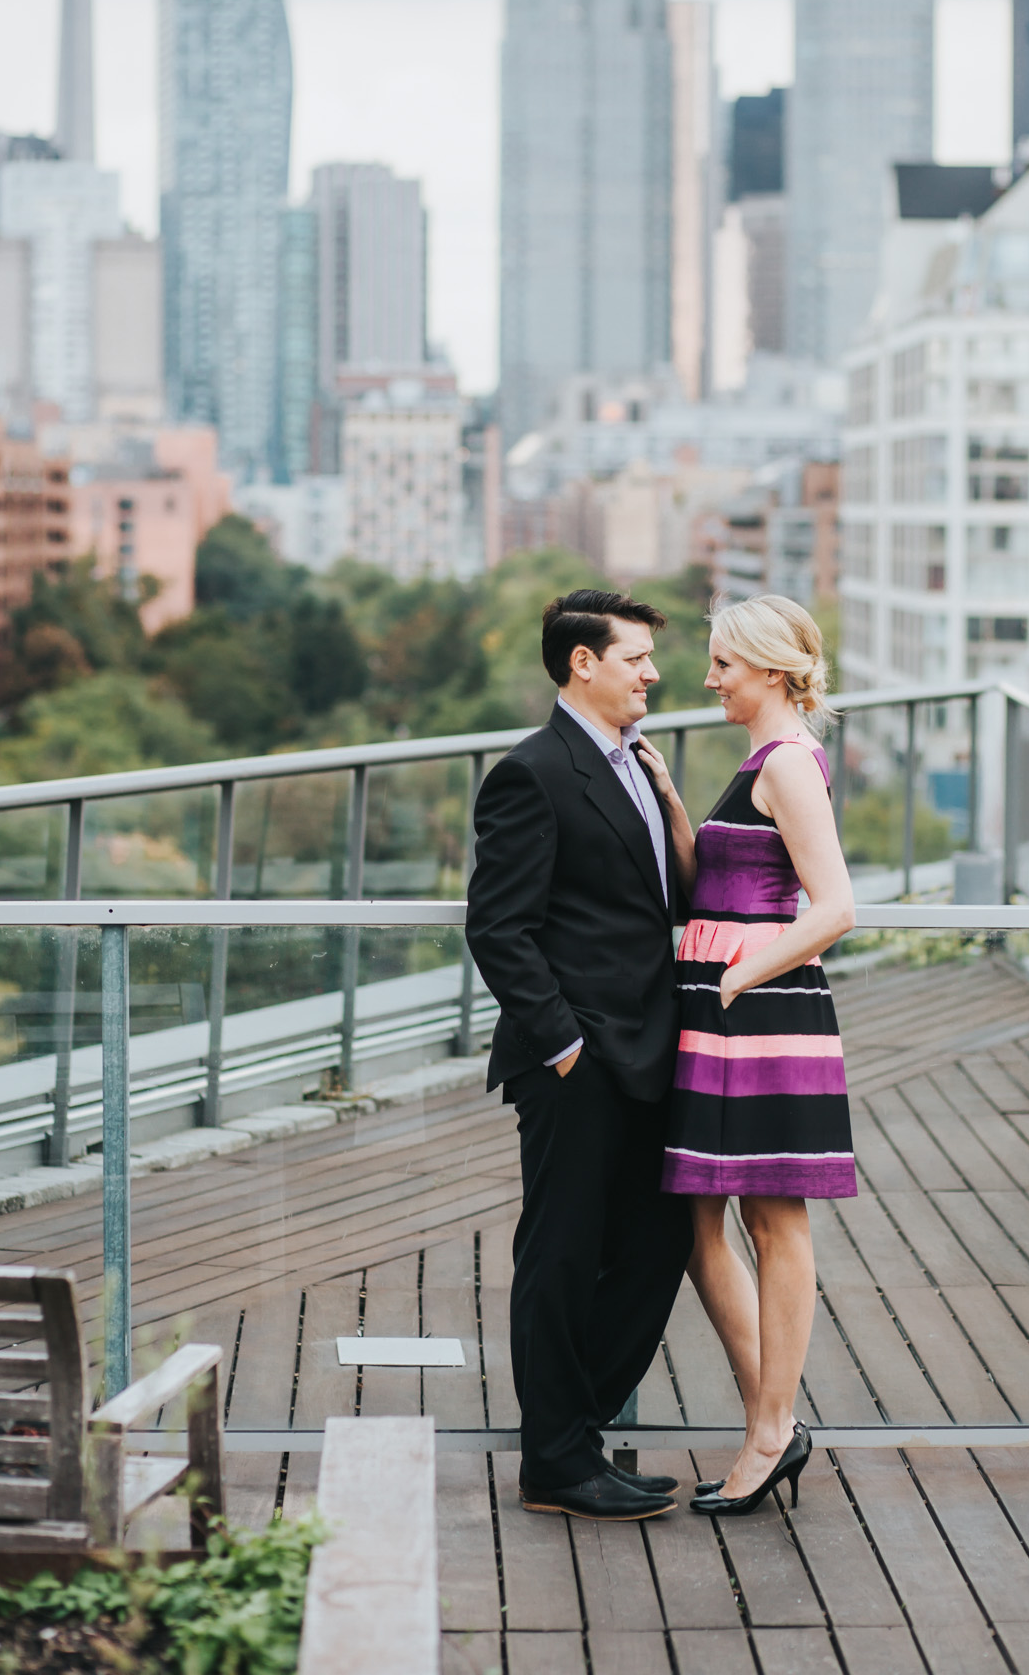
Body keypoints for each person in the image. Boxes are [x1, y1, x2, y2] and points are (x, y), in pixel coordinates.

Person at [465, 589, 694, 1522]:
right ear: (581, 665)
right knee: (560, 1255)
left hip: (650, 1047)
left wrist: (673, 795)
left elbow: (667, 896)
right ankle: (556, 1464)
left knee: (659, 1241)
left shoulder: (638, 764)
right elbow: (499, 928)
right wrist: (563, 1046)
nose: (652, 672)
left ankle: (570, 1437)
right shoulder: (533, 771)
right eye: (634, 657)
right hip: (578, 1059)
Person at [634, 594, 856, 1517]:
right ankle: (774, 1422)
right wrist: (677, 804)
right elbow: (713, 884)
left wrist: (734, 980)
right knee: (698, 1226)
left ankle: (768, 1434)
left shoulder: (791, 764)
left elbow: (835, 907)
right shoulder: (761, 762)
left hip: (757, 1012)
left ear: (767, 668)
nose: (707, 677)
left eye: (723, 663)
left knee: (774, 1223)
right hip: (727, 1007)